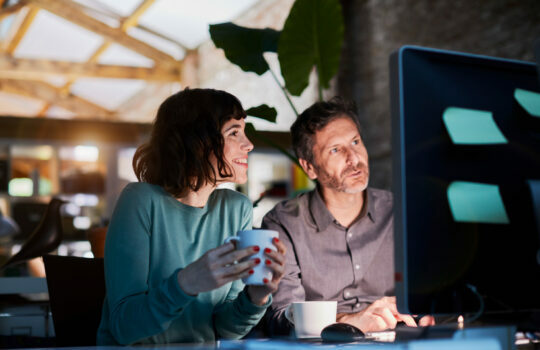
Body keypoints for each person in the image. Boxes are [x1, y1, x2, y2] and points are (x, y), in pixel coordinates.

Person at [97, 88, 286, 345]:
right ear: (198, 141)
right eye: (234, 133)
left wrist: (256, 297)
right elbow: (124, 327)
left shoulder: (236, 208)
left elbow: (227, 330)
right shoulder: (140, 200)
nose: (249, 144)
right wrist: (186, 283)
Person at [263, 97, 433, 336]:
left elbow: (433, 293)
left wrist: (428, 313)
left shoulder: (401, 211)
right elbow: (281, 318)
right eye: (335, 150)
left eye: (355, 142)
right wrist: (352, 321)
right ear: (309, 167)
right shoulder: (283, 224)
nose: (354, 159)